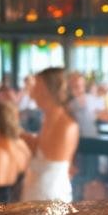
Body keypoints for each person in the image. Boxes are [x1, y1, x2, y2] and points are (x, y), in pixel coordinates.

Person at [21, 66, 79, 203]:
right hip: (37, 192)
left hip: (50, 197)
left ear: (48, 90)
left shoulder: (67, 125)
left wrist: (23, 138)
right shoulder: (47, 118)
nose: (32, 93)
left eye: (37, 87)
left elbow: (49, 160)